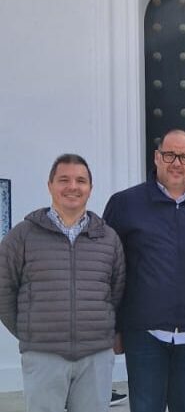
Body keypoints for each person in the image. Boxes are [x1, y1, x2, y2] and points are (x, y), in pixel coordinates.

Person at [103, 129, 185, 412]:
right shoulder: (125, 204)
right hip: (144, 333)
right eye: (169, 155)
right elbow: (109, 269)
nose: (177, 162)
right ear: (156, 157)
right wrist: (115, 328)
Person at [0, 154, 126, 412]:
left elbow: (116, 291)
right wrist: (29, 332)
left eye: (81, 180)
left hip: (95, 356)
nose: (73, 187)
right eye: (64, 180)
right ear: (50, 185)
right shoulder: (22, 236)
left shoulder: (108, 239)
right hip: (43, 355)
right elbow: (3, 290)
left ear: (90, 188)